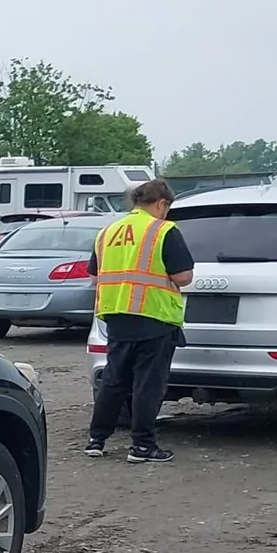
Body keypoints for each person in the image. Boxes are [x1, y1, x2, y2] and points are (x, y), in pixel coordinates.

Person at [86, 178, 193, 462]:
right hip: (154, 315)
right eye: (167, 208)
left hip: (116, 314)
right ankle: (143, 445)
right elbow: (183, 276)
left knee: (114, 380)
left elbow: (94, 277)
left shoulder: (108, 232)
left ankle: (97, 440)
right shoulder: (163, 230)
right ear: (161, 203)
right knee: (148, 384)